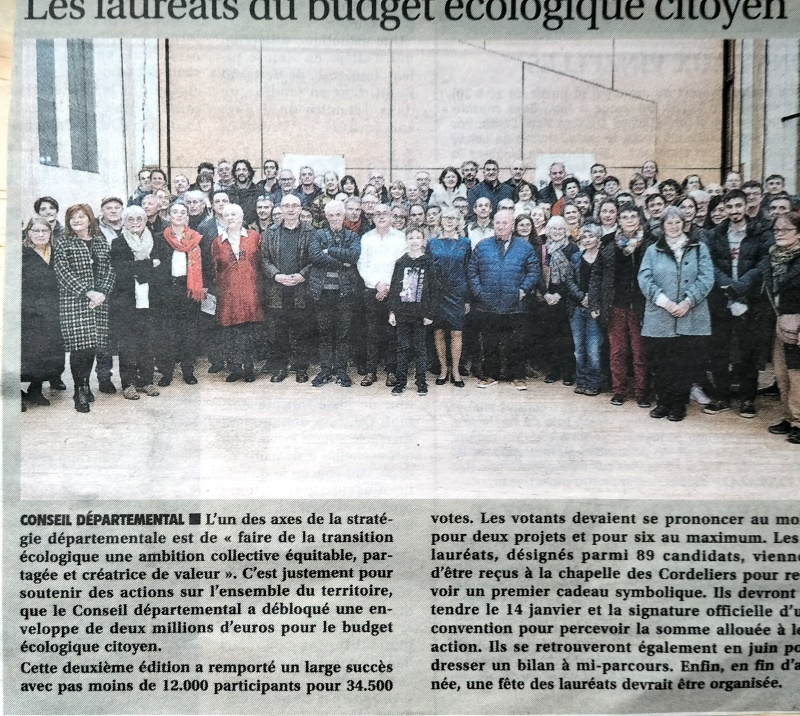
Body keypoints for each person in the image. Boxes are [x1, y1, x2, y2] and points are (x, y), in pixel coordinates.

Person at [638, 205, 715, 421]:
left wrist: (688, 302)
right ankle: (663, 403)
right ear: (662, 226)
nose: (673, 226)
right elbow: (645, 279)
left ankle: (679, 405)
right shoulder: (652, 250)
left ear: (684, 224)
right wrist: (665, 302)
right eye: (669, 223)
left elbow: (706, 277)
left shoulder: (699, 248)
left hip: (690, 314)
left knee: (683, 364)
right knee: (661, 363)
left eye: (677, 222)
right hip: (660, 315)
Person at [703, 189, 774, 418]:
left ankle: (747, 400)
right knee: (719, 352)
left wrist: (742, 286)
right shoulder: (714, 234)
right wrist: (727, 286)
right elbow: (709, 264)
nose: (734, 211)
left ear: (745, 206)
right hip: (721, 299)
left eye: (738, 206)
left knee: (747, 353)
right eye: (729, 206)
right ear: (724, 208)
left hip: (749, 300)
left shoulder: (760, 232)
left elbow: (765, 261)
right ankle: (721, 397)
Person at [468, 208, 540, 390]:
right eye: (497, 223)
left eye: (504, 223)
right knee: (489, 342)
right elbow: (472, 271)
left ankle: (518, 376)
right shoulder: (482, 245)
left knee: (517, 343)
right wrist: (479, 292)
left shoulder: (525, 247)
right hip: (488, 305)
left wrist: (523, 290)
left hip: (516, 306)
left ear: (512, 226)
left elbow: (534, 271)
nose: (500, 226)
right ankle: (489, 375)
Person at [54, 204, 114, 413]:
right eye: (73, 217)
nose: (77, 220)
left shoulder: (100, 241)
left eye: (81, 216)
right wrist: (88, 292)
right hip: (75, 302)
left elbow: (110, 269)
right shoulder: (63, 242)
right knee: (79, 347)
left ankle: (86, 384)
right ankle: (79, 390)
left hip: (99, 303)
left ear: (90, 219)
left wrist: (102, 293)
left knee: (92, 346)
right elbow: (62, 272)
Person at [589, 204, 651, 407]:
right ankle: (619, 391)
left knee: (640, 351)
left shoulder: (648, 243)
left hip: (640, 306)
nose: (629, 220)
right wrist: (595, 302)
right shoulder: (609, 243)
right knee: (617, 351)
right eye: (625, 217)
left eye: (633, 216)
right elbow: (597, 274)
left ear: (639, 219)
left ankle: (642, 392)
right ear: (619, 220)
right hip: (615, 305)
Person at [261, 194, 315, 383]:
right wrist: (276, 275)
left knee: (301, 331)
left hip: (301, 289)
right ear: (281, 209)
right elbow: (264, 259)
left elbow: (315, 259)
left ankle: (301, 368)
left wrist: (302, 275)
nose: (291, 209)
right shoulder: (270, 232)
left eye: (294, 206)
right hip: (277, 288)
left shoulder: (311, 232)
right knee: (278, 332)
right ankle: (280, 368)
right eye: (287, 206)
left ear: (300, 209)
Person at [108, 205, 161, 400]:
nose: (135, 223)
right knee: (128, 344)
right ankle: (128, 384)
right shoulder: (118, 243)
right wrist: (149, 264)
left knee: (148, 342)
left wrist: (137, 268)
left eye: (140, 219)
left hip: (150, 299)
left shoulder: (156, 240)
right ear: (124, 222)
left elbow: (161, 270)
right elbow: (122, 271)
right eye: (130, 219)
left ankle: (147, 381)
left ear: (145, 221)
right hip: (127, 301)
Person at [308, 200, 361, 388]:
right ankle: (325, 370)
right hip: (322, 292)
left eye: (338, 214)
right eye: (331, 215)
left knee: (343, 333)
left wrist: (329, 250)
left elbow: (354, 256)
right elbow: (314, 256)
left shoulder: (352, 236)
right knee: (324, 332)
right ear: (326, 216)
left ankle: (341, 370)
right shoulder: (317, 234)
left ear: (344, 216)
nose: (335, 218)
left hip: (344, 292)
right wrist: (341, 262)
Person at [152, 201, 205, 387]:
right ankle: (166, 373)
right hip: (166, 290)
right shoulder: (159, 238)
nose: (179, 215)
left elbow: (204, 265)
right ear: (168, 215)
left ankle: (188, 371)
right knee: (167, 332)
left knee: (188, 332)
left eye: (183, 212)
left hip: (189, 289)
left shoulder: (196, 238)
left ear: (188, 216)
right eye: (175, 212)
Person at [211, 204, 264, 382]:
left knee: (249, 329)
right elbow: (215, 269)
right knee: (231, 331)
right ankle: (235, 369)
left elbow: (261, 263)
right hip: (229, 294)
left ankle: (249, 368)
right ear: (222, 219)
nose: (231, 218)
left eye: (234, 214)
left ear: (242, 218)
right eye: (227, 215)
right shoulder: (218, 242)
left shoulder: (254, 237)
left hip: (250, 290)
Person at [356, 203, 407, 387]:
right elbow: (362, 264)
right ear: (373, 217)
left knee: (392, 332)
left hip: (394, 291)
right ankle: (371, 371)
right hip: (372, 290)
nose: (381, 216)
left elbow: (402, 265)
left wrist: (388, 287)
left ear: (391, 216)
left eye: (385, 213)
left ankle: (391, 371)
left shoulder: (401, 238)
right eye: (377, 213)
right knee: (372, 332)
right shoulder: (367, 238)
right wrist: (377, 284)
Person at [388, 227, 439, 396]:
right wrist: (392, 311)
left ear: (423, 241)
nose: (414, 241)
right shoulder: (400, 262)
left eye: (418, 237)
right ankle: (401, 381)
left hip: (421, 313)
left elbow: (433, 289)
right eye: (411, 237)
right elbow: (394, 288)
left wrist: (430, 313)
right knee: (402, 348)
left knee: (420, 348)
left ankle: (421, 381)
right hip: (403, 312)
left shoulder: (429, 262)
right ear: (406, 241)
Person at [21, 217, 64, 408]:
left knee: (46, 352)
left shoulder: (56, 253)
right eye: (36, 231)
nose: (40, 234)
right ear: (28, 233)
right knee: (26, 353)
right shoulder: (22, 254)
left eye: (44, 231)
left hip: (51, 311)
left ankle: (35, 389)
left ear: (50, 233)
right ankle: (14, 393)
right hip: (27, 312)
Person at [765, 213, 800, 444]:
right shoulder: (774, 257)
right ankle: (788, 417)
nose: (779, 233)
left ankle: (799, 422)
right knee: (781, 372)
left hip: (797, 324)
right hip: (781, 322)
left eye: (786, 229)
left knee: (797, 375)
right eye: (776, 229)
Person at [428, 208, 471, 387]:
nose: (449, 220)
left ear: (459, 221)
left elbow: (468, 270)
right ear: (440, 220)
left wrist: (467, 298)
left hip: (457, 293)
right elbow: (429, 269)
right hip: (438, 293)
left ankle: (455, 371)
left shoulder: (466, 243)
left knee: (456, 332)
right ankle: (443, 369)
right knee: (438, 331)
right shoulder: (432, 243)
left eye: (453, 218)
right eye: (446, 217)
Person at [539, 216, 579, 385]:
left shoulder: (572, 249)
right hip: (547, 298)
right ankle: (553, 371)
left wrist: (559, 295)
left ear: (566, 231)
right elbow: (537, 273)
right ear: (548, 231)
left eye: (560, 228)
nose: (557, 232)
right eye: (553, 228)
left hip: (566, 298)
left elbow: (574, 276)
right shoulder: (543, 249)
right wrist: (546, 294)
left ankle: (568, 372)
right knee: (551, 335)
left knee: (566, 337)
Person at [565, 223, 603, 396]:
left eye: (591, 236)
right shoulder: (576, 257)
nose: (587, 240)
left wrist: (593, 300)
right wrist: (581, 296)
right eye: (584, 237)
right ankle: (581, 380)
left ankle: (593, 382)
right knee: (579, 348)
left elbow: (606, 283)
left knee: (593, 348)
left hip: (595, 309)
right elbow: (569, 280)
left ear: (598, 238)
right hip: (577, 308)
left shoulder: (603, 257)